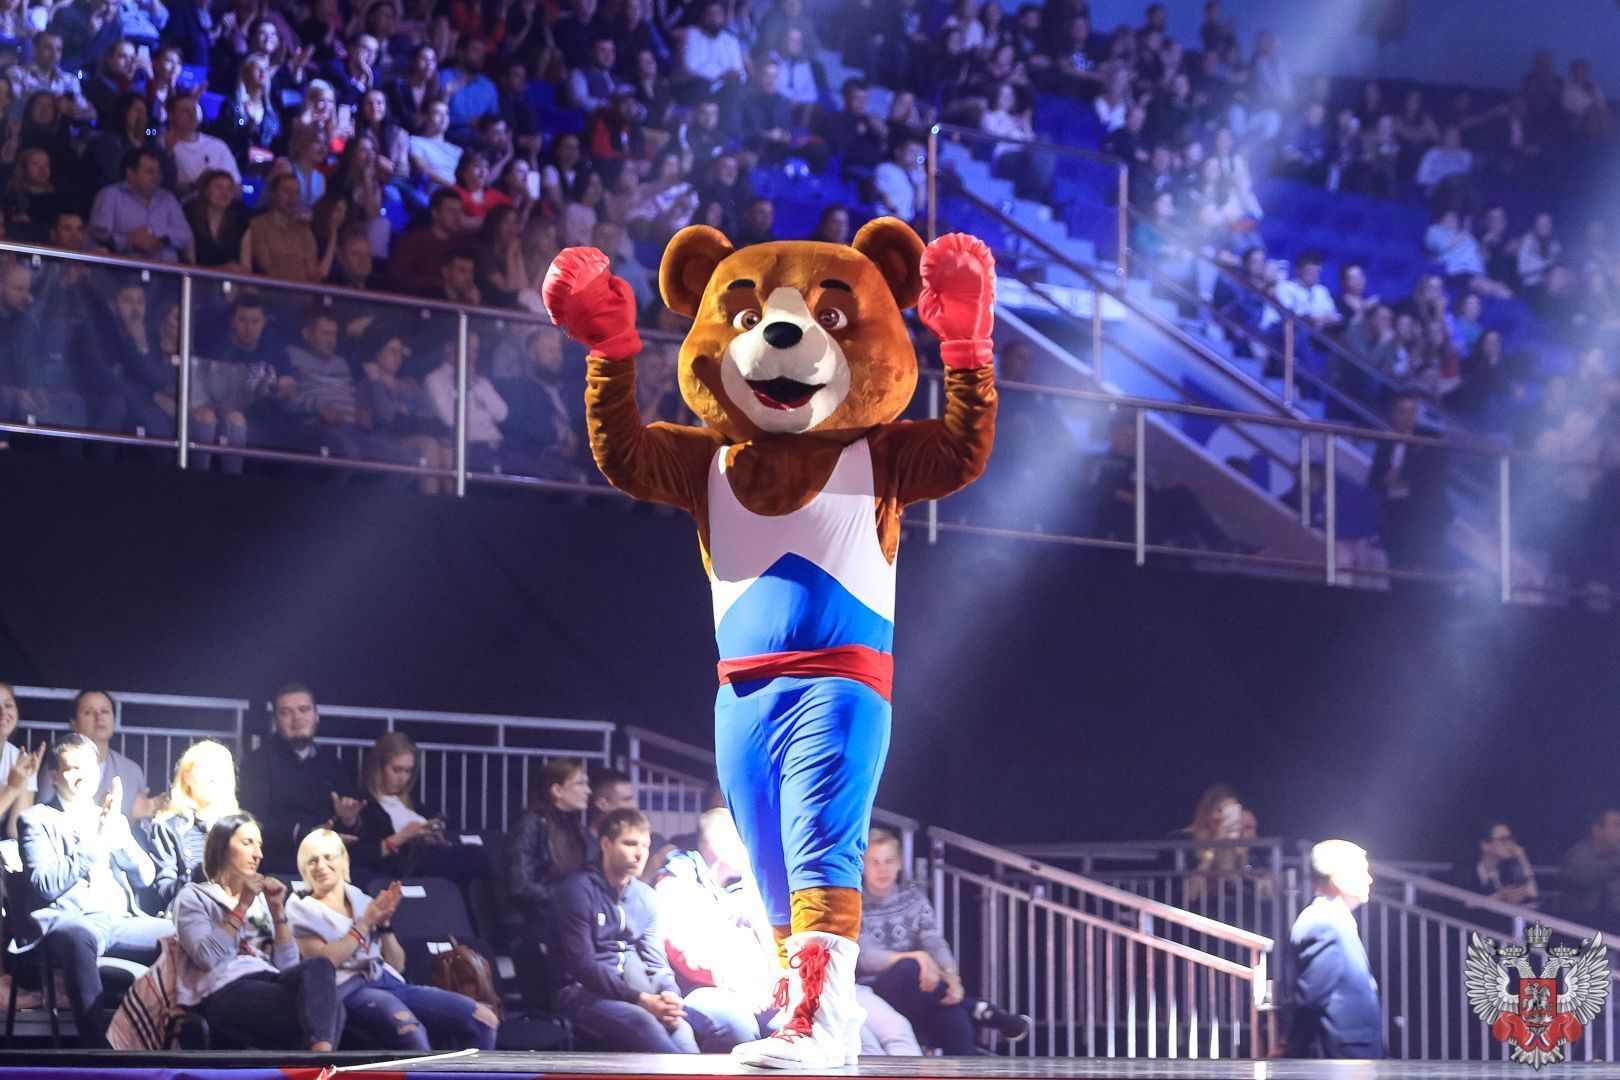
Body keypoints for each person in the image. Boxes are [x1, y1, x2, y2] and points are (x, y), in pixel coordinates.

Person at [16, 734, 173, 1041]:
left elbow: (146, 876)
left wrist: (121, 839)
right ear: (53, 775)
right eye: (72, 768)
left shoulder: (110, 817)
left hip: (118, 920)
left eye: (88, 767)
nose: (82, 775)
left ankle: (174, 1034)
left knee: (180, 935)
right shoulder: (36, 820)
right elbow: (44, 884)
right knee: (79, 936)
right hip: (71, 920)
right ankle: (97, 1048)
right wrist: (95, 842)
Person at [552, 807, 746, 1052]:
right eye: (630, 844)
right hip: (580, 993)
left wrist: (669, 993)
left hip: (635, 992)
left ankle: (692, 1071)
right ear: (606, 844)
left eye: (645, 845)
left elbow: (656, 961)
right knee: (643, 1021)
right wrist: (641, 999)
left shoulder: (645, 897)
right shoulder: (578, 890)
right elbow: (583, 965)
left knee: (680, 1027)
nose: (640, 853)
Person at [288, 828, 498, 1050]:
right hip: (347, 988)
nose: (321, 866)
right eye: (312, 861)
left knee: (484, 1018)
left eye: (328, 857)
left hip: (386, 980)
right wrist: (365, 924)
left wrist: (384, 925)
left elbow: (397, 965)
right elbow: (324, 963)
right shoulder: (302, 908)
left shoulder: (362, 899)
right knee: (411, 1032)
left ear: (344, 859)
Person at [173, 813, 344, 1050]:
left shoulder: (260, 901)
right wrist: (241, 906)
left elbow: (286, 966)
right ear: (222, 848)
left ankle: (320, 1059)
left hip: (268, 979)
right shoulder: (194, 896)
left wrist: (277, 911)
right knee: (326, 1011)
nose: (258, 854)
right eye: (247, 843)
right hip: (223, 989)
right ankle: (322, 1062)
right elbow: (205, 956)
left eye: (259, 845)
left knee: (321, 969)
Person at [858, 828, 1027, 1053]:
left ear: (899, 863)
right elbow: (866, 959)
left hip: (919, 991)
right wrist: (918, 957)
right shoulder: (853, 902)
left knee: (954, 1015)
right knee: (907, 967)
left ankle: (968, 1048)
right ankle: (978, 1008)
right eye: (874, 862)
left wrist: (952, 977)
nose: (883, 869)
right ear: (862, 865)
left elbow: (934, 942)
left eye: (889, 861)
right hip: (872, 992)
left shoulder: (913, 898)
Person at [238, 684, 365, 866]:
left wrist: (349, 819)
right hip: (282, 864)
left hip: (330, 864)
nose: (296, 718)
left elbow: (352, 828)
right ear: (276, 721)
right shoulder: (257, 762)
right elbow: (253, 819)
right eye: (286, 712)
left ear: (316, 716)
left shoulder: (331, 761)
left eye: (304, 710)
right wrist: (306, 834)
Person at [1287, 839, 1381, 1059]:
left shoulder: (1331, 919)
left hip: (1349, 1051)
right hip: (1340, 1055)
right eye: (1361, 871)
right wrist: (1291, 1048)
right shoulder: (1324, 923)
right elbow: (1311, 998)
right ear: (1337, 878)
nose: (1369, 879)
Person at [351, 732, 486, 880]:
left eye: (408, 771)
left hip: (431, 855)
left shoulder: (411, 802)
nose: (402, 778)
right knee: (474, 856)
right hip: (405, 864)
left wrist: (433, 830)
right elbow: (365, 854)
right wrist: (404, 836)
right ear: (380, 768)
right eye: (397, 770)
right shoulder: (364, 804)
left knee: (480, 849)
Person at [147, 739, 242, 910]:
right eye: (207, 766)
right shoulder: (167, 827)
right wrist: (201, 872)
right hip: (190, 912)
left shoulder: (240, 828)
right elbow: (163, 892)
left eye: (221, 767)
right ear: (187, 776)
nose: (214, 774)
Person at [36, 690, 161, 819]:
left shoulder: (131, 770)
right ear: (73, 723)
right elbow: (43, 814)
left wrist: (137, 816)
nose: (99, 717)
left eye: (105, 711)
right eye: (89, 712)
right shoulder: (60, 765)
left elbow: (138, 824)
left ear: (114, 720)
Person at [1369, 395, 1452, 573]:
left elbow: (1436, 478)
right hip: (1393, 512)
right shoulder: (1385, 443)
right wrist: (1386, 480)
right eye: (1402, 411)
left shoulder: (1430, 441)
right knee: (1393, 560)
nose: (1407, 416)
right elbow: (1372, 481)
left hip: (1423, 511)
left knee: (1422, 559)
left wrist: (1406, 481)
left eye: (1411, 411)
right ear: (1393, 414)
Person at [88, 149, 195, 263]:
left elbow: (186, 235)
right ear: (130, 173)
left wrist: (161, 238)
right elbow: (97, 236)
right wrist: (128, 240)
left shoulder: (168, 198)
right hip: (122, 270)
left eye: (158, 171)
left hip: (166, 270)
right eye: (150, 172)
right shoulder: (110, 196)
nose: (156, 177)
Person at [1452, 820, 1538, 906]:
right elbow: (1459, 906)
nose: (1510, 844)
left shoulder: (1510, 869)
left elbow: (1533, 896)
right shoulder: (1466, 872)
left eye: (1510, 838)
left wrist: (1523, 860)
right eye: (1502, 839)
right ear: (1485, 845)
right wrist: (1499, 897)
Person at [1560, 808, 1620, 926]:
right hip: (1581, 923)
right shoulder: (1577, 854)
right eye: (1617, 826)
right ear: (1597, 829)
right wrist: (1616, 863)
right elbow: (1581, 875)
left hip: (1615, 923)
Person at [0, 682, 44, 834]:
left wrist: (24, 782)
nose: (3, 712)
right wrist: (11, 790)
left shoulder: (19, 758)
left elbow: (16, 832)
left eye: (8, 705)